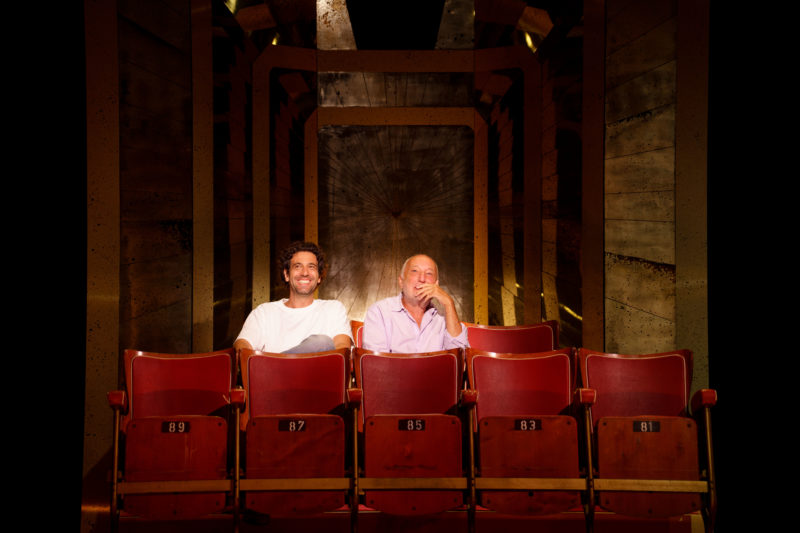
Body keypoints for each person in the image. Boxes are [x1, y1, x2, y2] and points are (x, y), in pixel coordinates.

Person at [234, 241, 352, 354]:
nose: (305, 273)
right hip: (270, 368)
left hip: (318, 369)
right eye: (297, 266)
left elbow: (342, 349)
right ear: (286, 275)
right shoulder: (264, 312)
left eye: (311, 267)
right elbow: (243, 345)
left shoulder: (334, 309)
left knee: (322, 343)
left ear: (319, 277)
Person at [362, 254, 468, 352]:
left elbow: (459, 358)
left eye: (429, 273)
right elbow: (376, 362)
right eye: (415, 271)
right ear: (401, 281)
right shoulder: (379, 312)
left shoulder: (445, 318)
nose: (422, 279)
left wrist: (449, 303)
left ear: (436, 285)